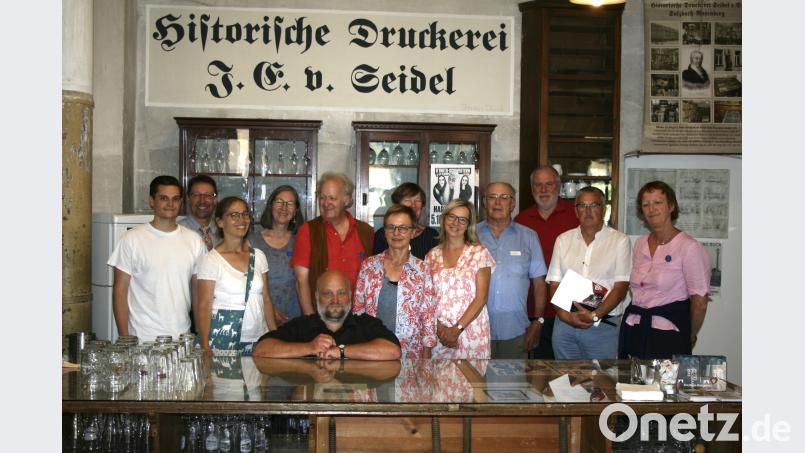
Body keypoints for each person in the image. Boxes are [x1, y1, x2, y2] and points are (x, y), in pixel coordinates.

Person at [108, 175, 206, 342]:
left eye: (175, 199)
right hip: (141, 339)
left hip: (182, 338)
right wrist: (125, 339)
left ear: (181, 202)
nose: (170, 204)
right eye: (164, 198)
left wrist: (200, 336)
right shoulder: (131, 239)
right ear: (152, 201)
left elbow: (198, 292)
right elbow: (119, 292)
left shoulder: (194, 240)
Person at [619, 181, 710, 359]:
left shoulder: (688, 247)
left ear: (671, 206)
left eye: (658, 202)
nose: (651, 209)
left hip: (668, 334)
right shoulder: (640, 244)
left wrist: (689, 334)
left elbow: (700, 302)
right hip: (635, 329)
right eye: (646, 204)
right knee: (631, 378)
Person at [546, 187, 631, 360]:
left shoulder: (620, 241)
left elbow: (621, 288)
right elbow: (554, 284)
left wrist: (594, 315)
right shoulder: (563, 240)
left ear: (604, 209)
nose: (588, 211)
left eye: (594, 205)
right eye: (582, 206)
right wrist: (565, 317)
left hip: (602, 326)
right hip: (565, 326)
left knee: (600, 377)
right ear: (576, 211)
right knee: (565, 376)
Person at [195, 196, 279, 356]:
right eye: (234, 215)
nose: (242, 219)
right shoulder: (211, 260)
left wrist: (275, 336)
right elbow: (204, 305)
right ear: (220, 222)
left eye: (245, 214)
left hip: (258, 338)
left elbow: (266, 299)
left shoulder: (259, 256)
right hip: (223, 340)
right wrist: (205, 345)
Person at [253, 270, 401, 360]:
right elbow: (261, 349)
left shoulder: (366, 324)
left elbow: (393, 351)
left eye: (341, 293)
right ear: (317, 296)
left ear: (350, 296)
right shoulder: (301, 325)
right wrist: (309, 348)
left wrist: (340, 351)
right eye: (328, 293)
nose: (335, 300)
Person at [354, 204, 437, 358]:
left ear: (413, 232)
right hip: (373, 349)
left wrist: (427, 353)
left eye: (403, 228)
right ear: (384, 232)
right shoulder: (368, 266)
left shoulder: (422, 269)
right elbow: (358, 311)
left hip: (411, 352)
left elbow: (428, 316)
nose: (396, 233)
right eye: (391, 227)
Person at [514, 166, 579, 358]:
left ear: (559, 186)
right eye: (538, 185)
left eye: (549, 184)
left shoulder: (576, 216)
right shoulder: (521, 220)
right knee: (535, 368)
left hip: (570, 309)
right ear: (531, 188)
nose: (543, 190)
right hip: (531, 309)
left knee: (569, 369)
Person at [477, 182, 547, 359]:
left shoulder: (529, 236)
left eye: (504, 197)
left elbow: (539, 284)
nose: (497, 202)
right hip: (475, 329)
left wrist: (538, 322)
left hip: (516, 330)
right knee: (476, 378)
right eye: (492, 197)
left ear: (513, 204)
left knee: (512, 377)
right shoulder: (471, 235)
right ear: (484, 202)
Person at [291, 172, 374, 316]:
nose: (325, 203)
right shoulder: (308, 231)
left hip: (360, 318)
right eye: (322, 197)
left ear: (347, 200)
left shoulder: (366, 231)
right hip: (321, 317)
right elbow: (301, 281)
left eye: (332, 198)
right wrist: (311, 320)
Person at [425, 199, 495, 359]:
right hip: (440, 333)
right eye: (452, 217)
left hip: (470, 330)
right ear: (444, 218)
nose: (455, 223)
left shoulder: (479, 253)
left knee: (471, 375)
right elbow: (427, 298)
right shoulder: (431, 256)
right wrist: (440, 329)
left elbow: (481, 298)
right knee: (439, 375)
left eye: (462, 219)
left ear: (469, 224)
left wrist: (456, 329)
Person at [248, 185, 305, 325]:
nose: (284, 207)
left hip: (295, 320)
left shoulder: (301, 241)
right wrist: (269, 310)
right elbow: (244, 283)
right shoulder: (251, 242)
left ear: (296, 210)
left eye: (290, 203)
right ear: (270, 206)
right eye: (279, 201)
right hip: (259, 318)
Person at [372, 182, 439, 260]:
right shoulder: (383, 234)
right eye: (407, 200)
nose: (413, 205)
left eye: (418, 200)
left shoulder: (432, 235)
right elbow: (377, 263)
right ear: (397, 204)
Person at [179, 174, 220, 251]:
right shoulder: (177, 231)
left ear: (215, 199)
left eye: (208, 195)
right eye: (196, 195)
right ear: (188, 198)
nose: (202, 201)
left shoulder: (224, 231)